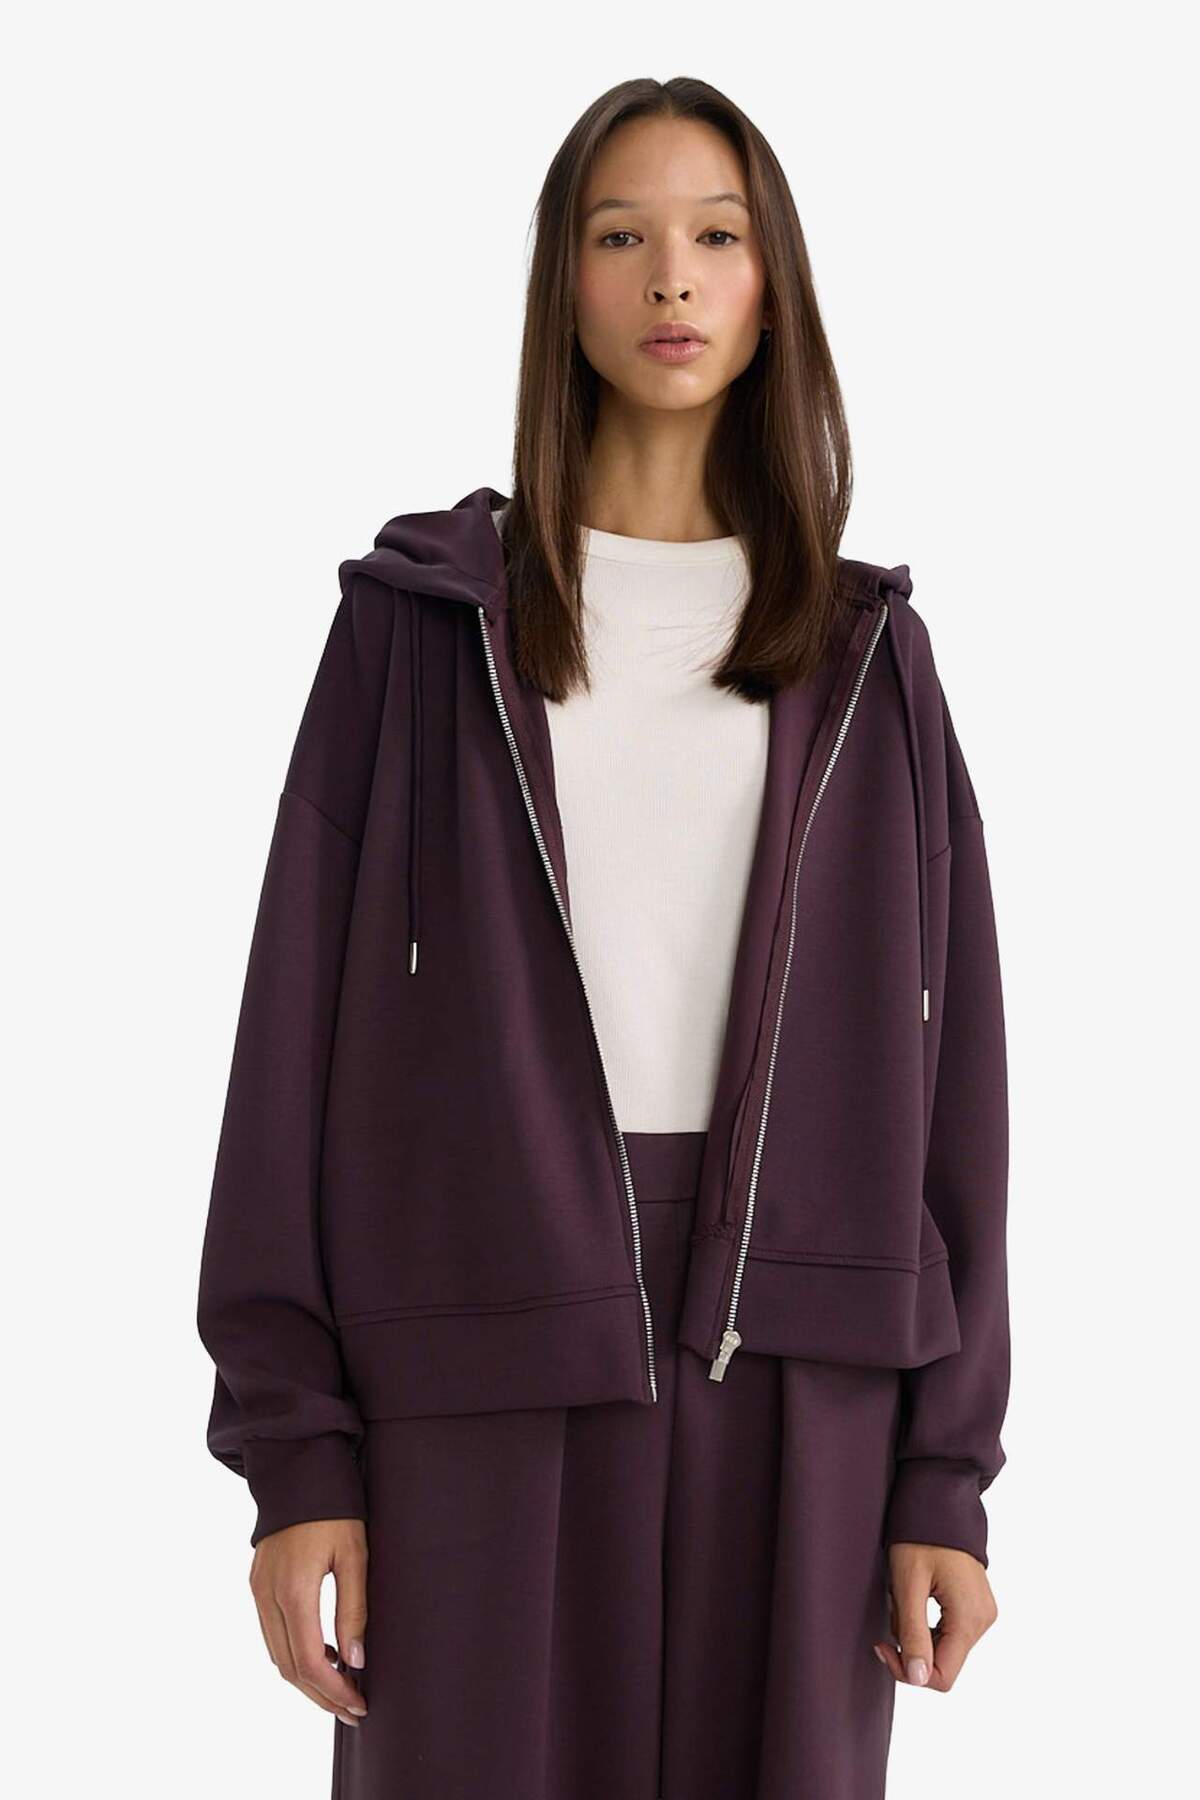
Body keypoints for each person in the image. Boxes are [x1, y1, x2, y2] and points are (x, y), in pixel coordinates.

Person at [196, 75, 1010, 1800]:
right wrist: (297, 1455)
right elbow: (287, 1051)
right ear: (563, 286)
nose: (672, 278)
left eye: (718, 236)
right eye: (620, 235)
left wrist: (944, 1474)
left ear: (772, 288)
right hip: (473, 1345)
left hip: (803, 1359)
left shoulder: (868, 655)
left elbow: (956, 1086)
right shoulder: (420, 632)